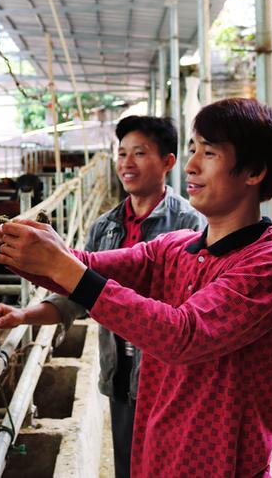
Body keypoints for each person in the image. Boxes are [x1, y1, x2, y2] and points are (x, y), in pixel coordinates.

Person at [0, 98, 272, 477]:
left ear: (254, 171)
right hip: (156, 452)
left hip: (222, 466)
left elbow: (183, 334)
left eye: (210, 153)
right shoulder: (175, 247)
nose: (191, 165)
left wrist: (62, 264)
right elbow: (82, 267)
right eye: (192, 149)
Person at [45, 115, 204, 478]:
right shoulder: (104, 226)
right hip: (119, 367)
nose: (126, 163)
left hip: (168, 371)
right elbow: (78, 289)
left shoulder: (190, 224)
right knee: (128, 463)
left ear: (168, 162)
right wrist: (25, 316)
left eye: (139, 153)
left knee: (170, 461)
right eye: (121, 154)